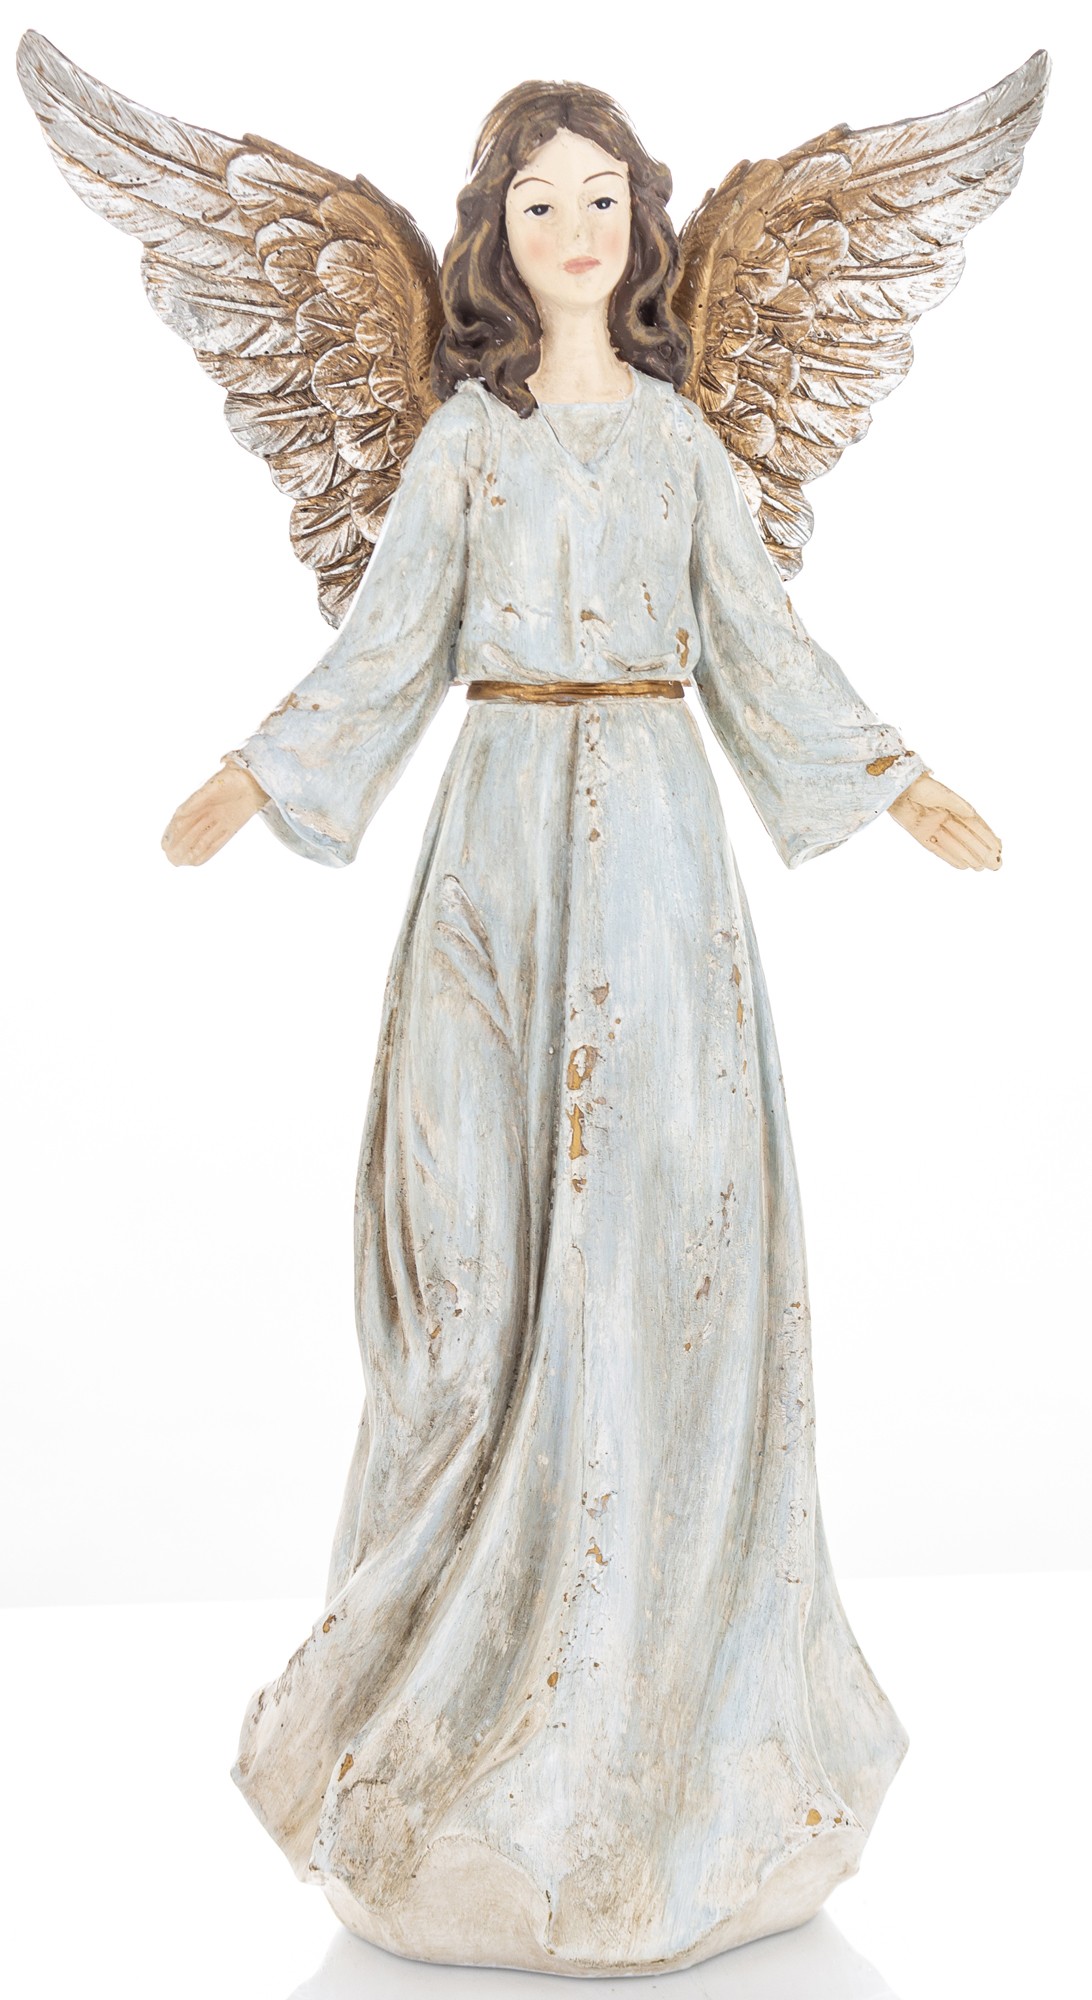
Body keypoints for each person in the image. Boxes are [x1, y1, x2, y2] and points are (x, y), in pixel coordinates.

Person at [163, 84, 999, 1977]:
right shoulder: (468, 442)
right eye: (539, 200)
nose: (574, 228)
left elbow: (760, 644)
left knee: (658, 1260)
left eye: (602, 196)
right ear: (494, 231)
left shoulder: (685, 442)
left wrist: (895, 777)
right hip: (500, 853)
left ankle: (669, 1749)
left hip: (663, 863)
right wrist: (261, 768)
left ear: (643, 221)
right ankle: (436, 1723)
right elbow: (390, 643)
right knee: (468, 1272)